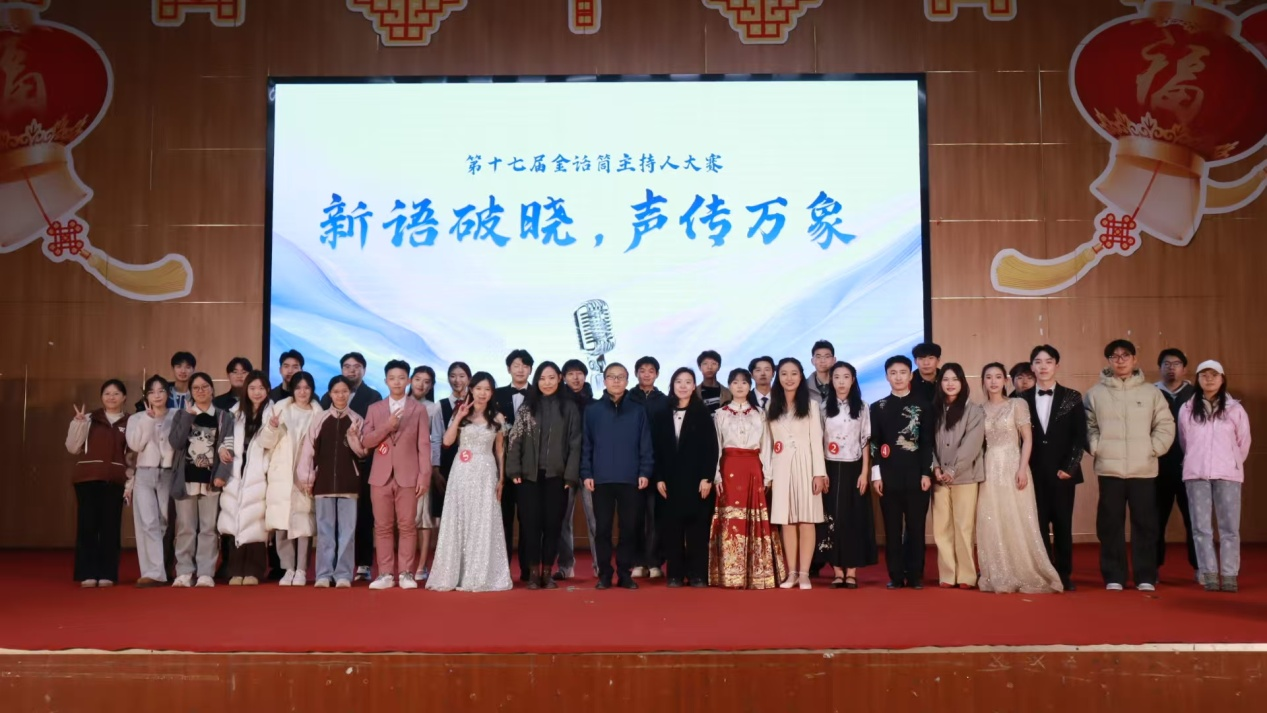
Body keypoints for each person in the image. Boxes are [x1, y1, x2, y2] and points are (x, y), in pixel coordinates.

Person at [1085, 339, 1175, 592]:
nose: (1120, 360)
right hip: (1109, 469)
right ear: (1109, 361)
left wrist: (1152, 449)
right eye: (1114, 356)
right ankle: (1114, 575)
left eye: (1125, 355)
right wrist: (1097, 447)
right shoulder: (1095, 394)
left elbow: (1165, 425)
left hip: (1143, 469)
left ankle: (1146, 575)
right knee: (1110, 525)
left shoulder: (1151, 393)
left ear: (1135, 359)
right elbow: (1088, 426)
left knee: (1146, 525)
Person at [976, 363, 1063, 594]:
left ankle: (1026, 569)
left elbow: (1028, 439)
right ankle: (999, 570)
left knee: (1018, 516)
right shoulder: (979, 409)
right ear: (983, 381)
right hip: (989, 467)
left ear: (1005, 380)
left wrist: (1022, 469)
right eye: (988, 377)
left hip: (1014, 464)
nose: (993, 381)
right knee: (993, 518)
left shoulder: (1017, 404)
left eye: (998, 377)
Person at [428, 372, 513, 592]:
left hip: (486, 472)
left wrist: (501, 479)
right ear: (471, 390)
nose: (482, 393)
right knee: (459, 518)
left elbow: (500, 450)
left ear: (492, 392)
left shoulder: (498, 418)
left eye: (487, 389)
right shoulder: (461, 413)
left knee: (482, 520)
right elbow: (447, 442)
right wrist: (458, 417)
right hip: (461, 472)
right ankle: (454, 573)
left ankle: (478, 574)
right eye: (478, 389)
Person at [353, 360, 432, 590]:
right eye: (392, 378)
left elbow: (424, 445)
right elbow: (366, 441)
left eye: (401, 378)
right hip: (380, 476)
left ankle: (406, 573)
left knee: (407, 526)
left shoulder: (418, 409)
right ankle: (385, 573)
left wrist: (424, 476)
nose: (397, 382)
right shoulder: (375, 408)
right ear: (386, 381)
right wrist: (387, 426)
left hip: (409, 475)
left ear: (408, 380)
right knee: (383, 526)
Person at [709, 368, 786, 589]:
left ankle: (758, 572)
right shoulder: (720, 414)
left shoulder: (759, 413)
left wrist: (768, 474)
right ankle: (728, 573)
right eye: (735, 382)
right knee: (730, 519)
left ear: (750, 386)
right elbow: (716, 447)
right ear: (729, 386)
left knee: (756, 519)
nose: (740, 386)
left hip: (753, 468)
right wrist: (716, 475)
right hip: (729, 467)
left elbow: (766, 444)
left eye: (744, 382)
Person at [507, 362, 582, 589]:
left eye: (551, 378)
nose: (547, 383)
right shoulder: (527, 407)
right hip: (528, 477)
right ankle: (532, 573)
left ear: (559, 378)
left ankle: (547, 572)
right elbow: (515, 439)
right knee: (530, 526)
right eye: (542, 378)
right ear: (536, 381)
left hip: (557, 478)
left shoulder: (569, 407)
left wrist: (570, 476)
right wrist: (514, 469)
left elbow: (575, 444)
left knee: (552, 526)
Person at [1179, 360, 1251, 593]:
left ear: (1222, 378)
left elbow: (1243, 443)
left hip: (1228, 474)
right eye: (1204, 375)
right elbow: (1185, 441)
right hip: (1196, 474)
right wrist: (1195, 460)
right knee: (1201, 528)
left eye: (1214, 374)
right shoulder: (1187, 409)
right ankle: (1208, 573)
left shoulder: (1235, 409)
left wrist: (1230, 462)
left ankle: (1229, 574)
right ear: (1197, 379)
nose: (1209, 379)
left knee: (1229, 528)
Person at [1021, 345, 1088, 591]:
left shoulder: (1072, 397)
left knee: (1062, 525)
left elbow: (1080, 436)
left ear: (1056, 365)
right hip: (1033, 473)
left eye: (1048, 361)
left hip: (1063, 474)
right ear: (1032, 366)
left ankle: (1064, 574)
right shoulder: (1020, 399)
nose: (1043, 366)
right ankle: (1044, 573)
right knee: (1036, 526)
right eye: (1038, 362)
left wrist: (1070, 466)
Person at [582, 363, 655, 590]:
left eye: (620, 377)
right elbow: (586, 445)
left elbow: (645, 443)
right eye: (611, 377)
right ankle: (604, 574)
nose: (616, 381)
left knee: (629, 529)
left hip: (630, 478)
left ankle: (625, 573)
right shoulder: (593, 410)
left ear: (627, 381)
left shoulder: (637, 410)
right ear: (604, 380)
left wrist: (645, 471)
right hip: (601, 479)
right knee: (602, 529)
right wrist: (586, 473)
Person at [870, 355, 935, 590]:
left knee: (916, 528)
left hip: (917, 476)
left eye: (902, 372)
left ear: (910, 375)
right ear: (887, 377)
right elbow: (874, 443)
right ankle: (896, 576)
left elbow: (927, 442)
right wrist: (876, 475)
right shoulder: (878, 407)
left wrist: (926, 473)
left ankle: (915, 575)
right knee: (892, 529)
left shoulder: (923, 406)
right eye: (893, 373)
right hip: (888, 477)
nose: (898, 377)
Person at [298, 376, 368, 588]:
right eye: (336, 392)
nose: (340, 395)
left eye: (344, 391)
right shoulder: (319, 419)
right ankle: (324, 573)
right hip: (324, 482)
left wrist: (354, 437)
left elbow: (363, 453)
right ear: (330, 394)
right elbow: (308, 451)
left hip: (349, 483)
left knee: (347, 531)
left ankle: (344, 574)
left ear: (350, 393)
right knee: (325, 531)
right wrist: (307, 478)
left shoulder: (357, 420)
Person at [652, 368, 719, 588]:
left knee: (697, 529)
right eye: (678, 381)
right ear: (672, 385)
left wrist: (707, 477)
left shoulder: (702, 413)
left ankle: (698, 574)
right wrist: (658, 477)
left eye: (688, 382)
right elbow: (656, 449)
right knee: (672, 530)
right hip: (669, 480)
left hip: (697, 480)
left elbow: (711, 448)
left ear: (693, 386)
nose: (683, 386)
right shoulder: (662, 413)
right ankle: (675, 574)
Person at [320, 352, 382, 582]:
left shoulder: (373, 396)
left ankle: (363, 563)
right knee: (333, 519)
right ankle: (334, 565)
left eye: (357, 366)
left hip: (362, 464)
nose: (351, 370)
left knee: (363, 515)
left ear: (364, 370)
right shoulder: (327, 397)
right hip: (332, 465)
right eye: (347, 366)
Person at [766, 357, 828, 590]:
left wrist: (819, 473)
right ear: (778, 377)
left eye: (794, 373)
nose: (789, 378)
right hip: (781, 466)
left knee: (806, 520)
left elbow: (816, 441)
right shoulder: (770, 405)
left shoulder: (811, 405)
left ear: (801, 376)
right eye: (784, 374)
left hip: (806, 464)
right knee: (787, 521)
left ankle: (804, 574)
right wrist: (768, 474)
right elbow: (767, 443)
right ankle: (791, 573)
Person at [65, 379, 131, 588]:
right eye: (107, 393)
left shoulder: (130, 421)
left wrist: (130, 483)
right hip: (87, 479)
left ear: (124, 397)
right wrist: (78, 424)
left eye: (116, 393)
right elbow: (72, 448)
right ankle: (87, 572)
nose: (111, 397)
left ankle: (107, 573)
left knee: (110, 527)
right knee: (88, 526)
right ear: (101, 397)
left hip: (115, 480)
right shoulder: (88, 418)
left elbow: (132, 455)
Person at [168, 372, 233, 588]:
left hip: (211, 480)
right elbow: (176, 443)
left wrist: (222, 475)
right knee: (185, 528)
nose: (201, 391)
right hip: (186, 479)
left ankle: (206, 572)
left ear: (212, 389)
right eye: (196, 388)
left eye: (205, 386)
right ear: (190, 392)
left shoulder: (223, 417)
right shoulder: (181, 414)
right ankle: (184, 571)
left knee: (208, 528)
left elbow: (229, 447)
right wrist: (188, 417)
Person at [259, 371, 321, 586]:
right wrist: (272, 427)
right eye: (298, 388)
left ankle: (301, 569)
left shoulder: (318, 414)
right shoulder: (279, 409)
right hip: (282, 473)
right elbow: (266, 443)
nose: (302, 392)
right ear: (292, 390)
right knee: (282, 523)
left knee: (304, 524)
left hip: (305, 473)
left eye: (306, 388)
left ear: (312, 390)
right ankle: (288, 568)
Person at [818, 361, 876, 589]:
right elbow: (818, 441)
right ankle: (836, 570)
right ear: (831, 381)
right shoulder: (823, 407)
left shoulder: (862, 407)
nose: (841, 382)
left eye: (846, 377)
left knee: (853, 518)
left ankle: (851, 571)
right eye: (836, 377)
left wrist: (865, 472)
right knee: (832, 517)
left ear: (853, 380)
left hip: (854, 467)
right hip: (830, 468)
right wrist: (821, 472)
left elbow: (865, 440)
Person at [930, 363, 985, 590]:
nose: (950, 384)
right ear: (940, 383)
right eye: (945, 379)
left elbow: (972, 444)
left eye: (955, 379)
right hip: (938, 478)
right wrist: (935, 467)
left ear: (962, 382)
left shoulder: (974, 411)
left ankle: (966, 575)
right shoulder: (933, 410)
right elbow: (927, 443)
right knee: (941, 528)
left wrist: (953, 470)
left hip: (965, 476)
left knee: (964, 527)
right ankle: (947, 574)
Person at [217, 371, 274, 585]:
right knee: (235, 520)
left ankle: (254, 570)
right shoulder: (235, 414)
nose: (257, 392)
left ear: (267, 390)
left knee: (256, 522)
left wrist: (273, 427)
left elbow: (272, 444)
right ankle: (235, 569)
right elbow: (225, 439)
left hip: (259, 473)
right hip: (236, 473)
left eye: (261, 388)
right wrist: (222, 449)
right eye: (252, 388)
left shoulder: (273, 413)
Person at [125, 376, 176, 587]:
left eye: (161, 391)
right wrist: (148, 421)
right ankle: (152, 572)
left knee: (166, 522)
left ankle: (165, 568)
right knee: (147, 522)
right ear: (146, 396)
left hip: (168, 473)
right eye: (152, 392)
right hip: (144, 473)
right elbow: (135, 445)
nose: (157, 395)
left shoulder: (176, 415)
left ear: (168, 394)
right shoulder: (137, 418)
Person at [554, 359, 599, 580]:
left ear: (585, 376)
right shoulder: (557, 404)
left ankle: (600, 566)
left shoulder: (596, 404)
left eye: (579, 373)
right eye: (571, 373)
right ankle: (565, 566)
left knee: (595, 519)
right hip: (565, 468)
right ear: (563, 377)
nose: (576, 377)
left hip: (591, 468)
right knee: (563, 518)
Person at [1155, 348, 1197, 578]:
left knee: (1195, 521)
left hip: (1191, 468)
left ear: (1185, 369)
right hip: (1157, 468)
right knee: (1155, 521)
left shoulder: (1196, 394)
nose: (1171, 368)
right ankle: (1153, 568)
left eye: (1176, 364)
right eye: (1166, 364)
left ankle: (1201, 567)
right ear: (1160, 367)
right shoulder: (1150, 393)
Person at [628, 355, 669, 579]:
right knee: (634, 516)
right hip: (631, 465)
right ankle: (637, 561)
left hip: (657, 465)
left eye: (651, 370)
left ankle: (654, 562)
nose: (646, 374)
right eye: (642, 370)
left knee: (655, 516)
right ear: (636, 373)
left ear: (657, 374)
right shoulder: (628, 398)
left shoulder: (664, 401)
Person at [494, 349, 534, 582]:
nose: (520, 370)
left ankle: (528, 570)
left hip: (530, 468)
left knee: (528, 521)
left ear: (531, 370)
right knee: (503, 521)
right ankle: (502, 571)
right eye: (516, 365)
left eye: (525, 366)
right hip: (502, 468)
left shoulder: (539, 394)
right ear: (509, 368)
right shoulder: (496, 394)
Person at [409, 365, 444, 582]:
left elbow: (437, 439)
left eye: (427, 381)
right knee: (403, 519)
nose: (421, 384)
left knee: (423, 519)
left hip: (423, 468)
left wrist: (434, 467)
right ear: (410, 380)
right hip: (399, 469)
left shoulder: (433, 408)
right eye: (418, 379)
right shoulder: (396, 404)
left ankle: (422, 566)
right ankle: (404, 565)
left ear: (431, 386)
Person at [808, 340, 835, 406]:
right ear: (812, 361)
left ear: (834, 360)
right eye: (818, 357)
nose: (823, 361)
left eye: (827, 356)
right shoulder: (803, 387)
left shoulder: (841, 384)